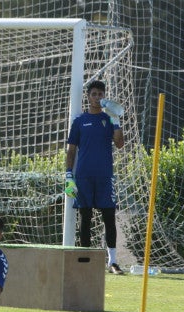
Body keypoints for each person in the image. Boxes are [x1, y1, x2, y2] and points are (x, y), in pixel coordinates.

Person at [65, 80, 125, 274]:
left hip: (105, 176)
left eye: (100, 94)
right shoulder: (79, 121)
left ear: (104, 96)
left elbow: (120, 144)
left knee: (109, 216)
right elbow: (71, 150)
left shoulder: (108, 120)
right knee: (85, 217)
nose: (97, 98)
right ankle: (85, 259)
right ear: (88, 97)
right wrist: (68, 175)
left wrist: (116, 120)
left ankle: (113, 261)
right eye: (94, 94)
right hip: (83, 176)